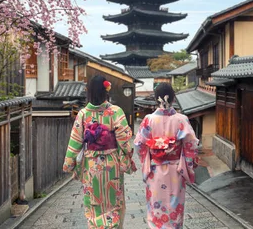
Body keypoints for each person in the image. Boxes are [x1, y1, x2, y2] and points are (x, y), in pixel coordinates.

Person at [63, 75, 136, 228]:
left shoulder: (83, 114)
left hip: (91, 166)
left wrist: (69, 164)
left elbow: (75, 141)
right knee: (113, 204)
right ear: (106, 90)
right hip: (112, 165)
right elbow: (124, 139)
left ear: (89, 91)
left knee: (93, 204)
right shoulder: (116, 111)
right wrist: (128, 155)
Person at [134, 82, 199, 229]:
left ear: (156, 99)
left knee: (155, 209)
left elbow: (139, 145)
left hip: (154, 171)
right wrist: (189, 164)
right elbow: (191, 146)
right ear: (174, 99)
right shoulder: (181, 120)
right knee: (174, 209)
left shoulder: (148, 120)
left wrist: (149, 158)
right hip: (176, 171)